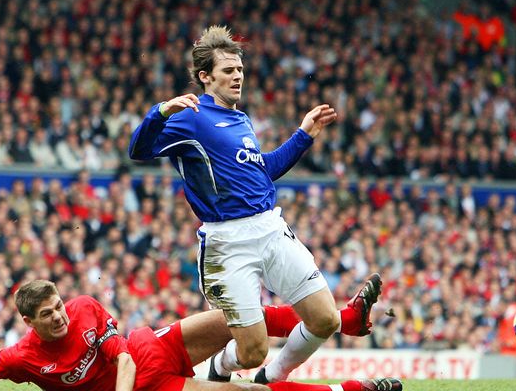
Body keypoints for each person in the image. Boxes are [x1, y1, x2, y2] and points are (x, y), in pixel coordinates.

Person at [128, 26, 379, 383]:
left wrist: (303, 136)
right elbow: (137, 150)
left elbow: (263, 172)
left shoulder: (241, 119)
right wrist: (161, 111)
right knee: (251, 351)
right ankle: (220, 366)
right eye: (228, 70)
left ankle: (271, 378)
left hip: (271, 228)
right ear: (205, 76)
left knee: (324, 319)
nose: (237, 77)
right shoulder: (191, 115)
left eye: (240, 70)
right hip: (228, 243)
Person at [0, 279, 402, 391]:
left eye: (58, 307)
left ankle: (348, 319)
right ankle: (352, 389)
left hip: (148, 347)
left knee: (237, 318)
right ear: (30, 322)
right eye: (47, 314)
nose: (59, 317)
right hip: (152, 387)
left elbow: (121, 357)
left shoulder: (84, 308)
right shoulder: (22, 358)